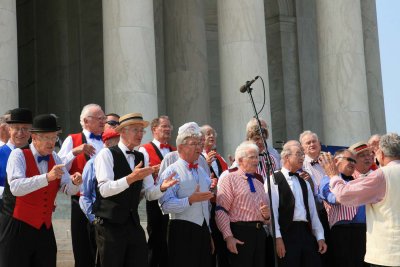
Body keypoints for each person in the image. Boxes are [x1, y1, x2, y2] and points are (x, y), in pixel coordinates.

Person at [93, 113, 177, 267]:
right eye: (135, 130)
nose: (140, 134)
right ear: (122, 131)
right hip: (110, 225)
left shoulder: (140, 156)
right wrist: (131, 178)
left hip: (132, 224)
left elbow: (150, 193)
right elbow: (104, 189)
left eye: (141, 131)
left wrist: (163, 187)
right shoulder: (106, 154)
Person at [0, 114, 82, 267]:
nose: (52, 142)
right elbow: (16, 187)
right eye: (46, 138)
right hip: (17, 226)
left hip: (44, 227)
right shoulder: (18, 155)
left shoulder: (56, 158)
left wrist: (75, 182)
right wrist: (47, 177)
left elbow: (66, 188)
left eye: (54, 137)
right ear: (34, 137)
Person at [320, 133, 400, 267]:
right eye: (361, 156)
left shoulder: (380, 175)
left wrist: (333, 175)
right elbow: (333, 197)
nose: (369, 158)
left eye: (370, 154)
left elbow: (343, 195)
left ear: (381, 154)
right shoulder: (375, 176)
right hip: (344, 233)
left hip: (389, 252)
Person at [158, 122, 214, 267]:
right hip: (182, 231)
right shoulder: (171, 171)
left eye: (199, 143)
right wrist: (189, 200)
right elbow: (165, 205)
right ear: (181, 147)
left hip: (202, 231)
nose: (198, 147)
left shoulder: (201, 170)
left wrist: (208, 233)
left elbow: (205, 203)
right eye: (193, 144)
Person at [58, 103, 106, 267]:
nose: (103, 121)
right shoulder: (72, 139)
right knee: (83, 249)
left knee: (104, 250)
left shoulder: (106, 140)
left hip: (104, 202)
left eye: (104, 118)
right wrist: (74, 152)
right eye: (99, 118)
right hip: (80, 201)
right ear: (86, 121)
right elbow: (57, 165)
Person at [269, 142, 327, 267]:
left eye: (302, 154)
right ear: (286, 157)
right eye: (298, 154)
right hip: (286, 233)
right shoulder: (273, 180)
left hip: (305, 232)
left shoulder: (304, 182)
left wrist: (320, 236)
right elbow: (272, 212)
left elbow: (312, 212)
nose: (302, 157)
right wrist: (278, 238)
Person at [215, 141, 270, 267]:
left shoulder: (259, 182)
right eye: (252, 157)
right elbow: (221, 210)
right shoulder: (229, 178)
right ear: (240, 160)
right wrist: (228, 237)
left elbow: (266, 217)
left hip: (259, 234)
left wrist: (267, 216)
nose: (256, 160)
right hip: (240, 233)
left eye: (257, 157)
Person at [319, 149, 367, 267]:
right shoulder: (327, 180)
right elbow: (334, 199)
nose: (352, 163)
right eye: (349, 159)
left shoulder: (359, 180)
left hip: (362, 231)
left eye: (354, 161)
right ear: (336, 161)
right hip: (342, 231)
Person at [79, 128, 120, 266]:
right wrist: (93, 218)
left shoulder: (122, 162)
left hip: (119, 219)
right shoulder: (92, 164)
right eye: (117, 143)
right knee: (100, 259)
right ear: (107, 144)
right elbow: (84, 195)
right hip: (100, 220)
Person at [138, 115, 175, 267]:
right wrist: (152, 171)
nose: (168, 129)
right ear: (154, 129)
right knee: (156, 241)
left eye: (169, 127)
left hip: (174, 200)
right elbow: (139, 174)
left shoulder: (174, 150)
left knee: (170, 241)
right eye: (164, 126)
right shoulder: (144, 149)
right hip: (155, 200)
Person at [200, 124, 229, 267]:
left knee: (222, 248)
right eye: (207, 134)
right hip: (206, 208)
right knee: (210, 250)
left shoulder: (219, 158)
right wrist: (205, 164)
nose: (211, 136)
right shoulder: (198, 158)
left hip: (221, 207)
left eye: (213, 134)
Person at [0, 108, 33, 206]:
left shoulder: (37, 154)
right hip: (4, 212)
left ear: (31, 131)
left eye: (25, 128)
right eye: (16, 128)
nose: (20, 132)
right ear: (9, 130)